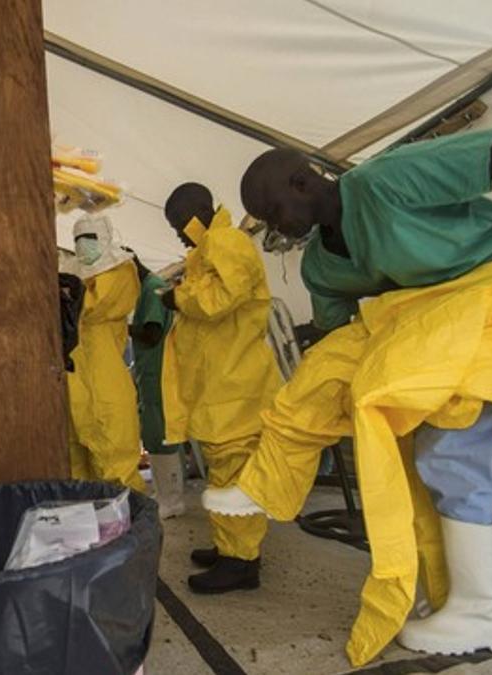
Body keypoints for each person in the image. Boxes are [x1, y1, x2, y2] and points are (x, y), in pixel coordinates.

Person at [211, 126, 492, 657]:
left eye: (273, 210)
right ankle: (267, 485)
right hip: (436, 326)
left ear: (302, 182)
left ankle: (484, 611)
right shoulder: (320, 266)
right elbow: (340, 342)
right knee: (332, 367)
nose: (274, 228)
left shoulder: (385, 180)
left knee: (450, 451)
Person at [160, 183, 278, 594]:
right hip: (222, 385)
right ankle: (230, 546)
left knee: (235, 471)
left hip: (236, 385)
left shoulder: (227, 241)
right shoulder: (211, 247)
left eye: (178, 225)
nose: (178, 234)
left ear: (194, 214)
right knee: (224, 468)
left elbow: (220, 298)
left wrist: (178, 298)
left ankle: (242, 561)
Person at [66, 214, 147, 494]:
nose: (82, 247)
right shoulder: (77, 280)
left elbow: (92, 306)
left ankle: (131, 530)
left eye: (88, 240)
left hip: (105, 382)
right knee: (80, 467)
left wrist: (68, 294)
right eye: (77, 241)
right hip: (77, 384)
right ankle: (97, 530)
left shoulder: (120, 273)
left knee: (118, 466)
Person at [125, 250, 185, 519]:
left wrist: (120, 327)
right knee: (153, 433)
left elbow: (151, 333)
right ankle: (164, 495)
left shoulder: (153, 288)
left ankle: (172, 500)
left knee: (162, 435)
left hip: (160, 372)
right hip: (151, 371)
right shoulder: (146, 290)